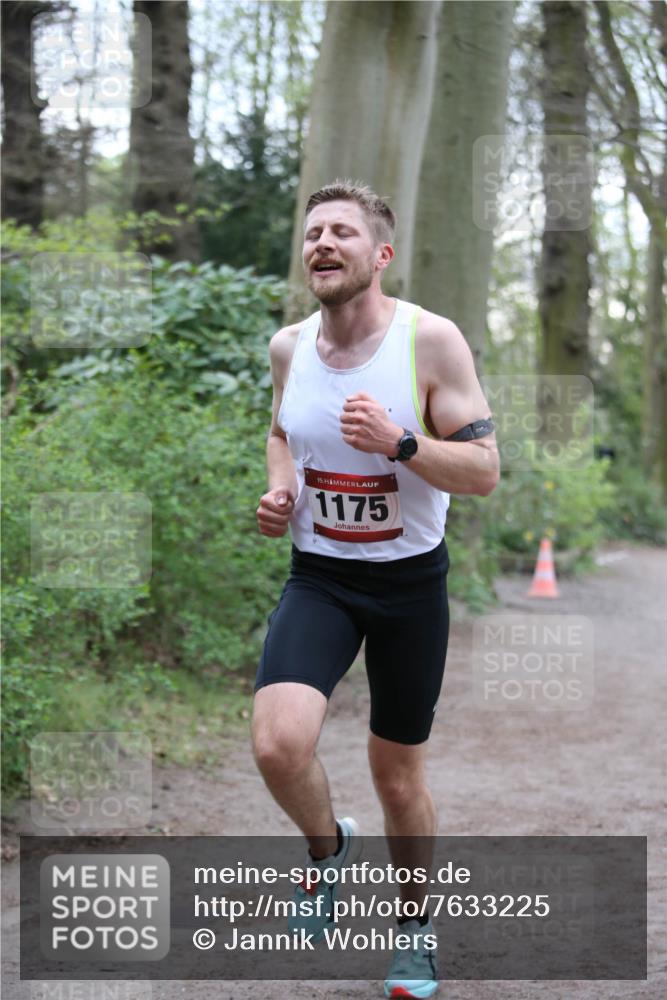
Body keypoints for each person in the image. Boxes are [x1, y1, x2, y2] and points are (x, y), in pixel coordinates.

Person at [252, 180, 499, 999]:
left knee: (397, 777)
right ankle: (327, 853)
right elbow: (282, 429)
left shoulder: (430, 342)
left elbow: (484, 471)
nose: (322, 243)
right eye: (313, 232)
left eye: (342, 233)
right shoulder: (289, 347)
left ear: (379, 255)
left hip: (407, 588)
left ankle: (414, 932)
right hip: (320, 576)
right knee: (278, 744)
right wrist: (281, 489)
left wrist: (400, 443)